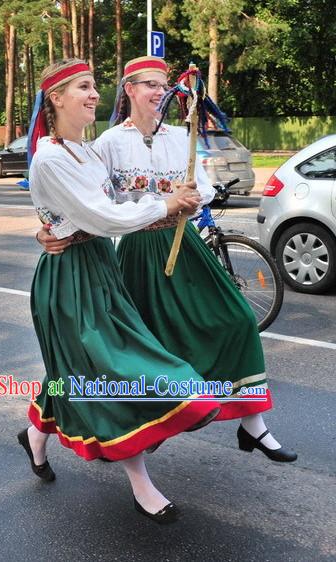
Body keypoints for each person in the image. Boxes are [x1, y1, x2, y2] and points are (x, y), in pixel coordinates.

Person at [37, 56, 297, 463]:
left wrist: (193, 197)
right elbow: (83, 202)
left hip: (184, 242)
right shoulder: (107, 144)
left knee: (236, 319)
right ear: (129, 90)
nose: (160, 93)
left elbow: (204, 188)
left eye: (164, 86)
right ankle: (85, 423)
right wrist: (44, 230)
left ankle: (253, 426)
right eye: (150, 85)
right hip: (139, 250)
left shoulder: (180, 137)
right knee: (128, 349)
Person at [18, 58, 222, 525]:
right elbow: (103, 217)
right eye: (84, 88)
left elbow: (106, 206)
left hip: (99, 267)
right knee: (111, 368)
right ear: (56, 98)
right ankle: (142, 483)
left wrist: (177, 195)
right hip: (69, 280)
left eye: (94, 87)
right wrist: (164, 204)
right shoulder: (49, 157)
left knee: (74, 372)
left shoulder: (85, 151)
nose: (94, 95)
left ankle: (35, 434)